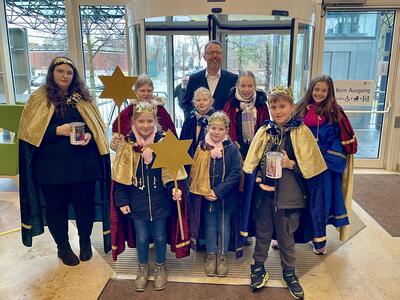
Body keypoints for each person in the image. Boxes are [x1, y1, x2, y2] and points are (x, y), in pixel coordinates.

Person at [18, 56, 111, 266]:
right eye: (60, 71)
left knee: (84, 206)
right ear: (52, 73)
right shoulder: (40, 98)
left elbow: (95, 127)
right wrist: (57, 130)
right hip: (51, 168)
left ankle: (85, 242)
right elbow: (29, 133)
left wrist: (89, 135)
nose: (65, 76)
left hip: (83, 165)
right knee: (56, 208)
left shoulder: (83, 99)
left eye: (69, 72)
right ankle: (63, 247)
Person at [243, 87, 327, 298]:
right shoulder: (264, 132)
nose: (278, 111)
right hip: (265, 197)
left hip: (290, 200)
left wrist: (291, 164)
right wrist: (259, 181)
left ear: (291, 107)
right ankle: (258, 268)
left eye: (282, 106)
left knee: (286, 239)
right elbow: (253, 165)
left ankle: (289, 273)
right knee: (262, 235)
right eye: (273, 106)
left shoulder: (302, 132)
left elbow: (312, 170)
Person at [112, 102, 189, 292]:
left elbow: (172, 174)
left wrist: (174, 189)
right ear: (133, 122)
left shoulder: (165, 142)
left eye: (149, 121)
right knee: (142, 237)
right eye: (140, 121)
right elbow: (120, 178)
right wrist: (121, 200)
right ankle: (142, 267)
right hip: (137, 204)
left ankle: (160, 267)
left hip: (160, 203)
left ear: (155, 121)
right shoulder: (128, 145)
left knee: (160, 236)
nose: (145, 125)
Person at [293, 75, 357, 255]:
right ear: (311, 89)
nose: (319, 93)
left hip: (324, 167)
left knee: (319, 204)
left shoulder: (336, 112)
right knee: (295, 200)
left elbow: (340, 140)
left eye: (324, 90)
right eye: (316, 89)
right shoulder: (300, 109)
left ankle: (318, 240)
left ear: (329, 92)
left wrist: (326, 160)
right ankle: (288, 235)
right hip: (300, 164)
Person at [189, 111, 241, 277]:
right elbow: (196, 171)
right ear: (208, 128)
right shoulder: (202, 147)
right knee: (211, 226)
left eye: (220, 128)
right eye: (213, 128)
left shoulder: (232, 149)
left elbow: (235, 173)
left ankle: (222, 255)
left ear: (226, 130)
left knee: (224, 226)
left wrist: (218, 191)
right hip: (207, 197)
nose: (216, 132)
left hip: (226, 198)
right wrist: (205, 191)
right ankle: (211, 255)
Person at [223, 71, 270, 248]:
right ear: (237, 86)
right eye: (243, 85)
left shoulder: (261, 104)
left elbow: (266, 128)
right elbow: (227, 128)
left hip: (255, 155)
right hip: (236, 154)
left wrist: (258, 153)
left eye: (250, 85)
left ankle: (247, 231)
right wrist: (237, 152)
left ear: (255, 86)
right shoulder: (231, 104)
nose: (246, 89)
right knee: (237, 192)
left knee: (251, 194)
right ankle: (234, 233)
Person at [110, 74, 176, 150]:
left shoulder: (161, 111)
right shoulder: (127, 113)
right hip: (133, 156)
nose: (146, 94)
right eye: (142, 90)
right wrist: (116, 142)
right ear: (135, 91)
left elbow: (171, 135)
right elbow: (118, 139)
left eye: (149, 90)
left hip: (158, 154)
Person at [181, 40, 238, 118]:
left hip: (224, 127)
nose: (215, 56)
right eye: (211, 52)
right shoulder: (194, 79)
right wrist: (196, 119)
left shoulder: (233, 79)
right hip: (198, 127)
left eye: (218, 52)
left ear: (222, 56)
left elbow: (235, 105)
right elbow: (186, 104)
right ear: (204, 57)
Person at [180, 87, 215, 159]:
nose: (201, 102)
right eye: (198, 100)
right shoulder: (189, 120)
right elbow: (182, 140)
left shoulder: (215, 120)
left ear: (211, 102)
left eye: (205, 100)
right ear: (194, 102)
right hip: (190, 158)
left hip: (208, 158)